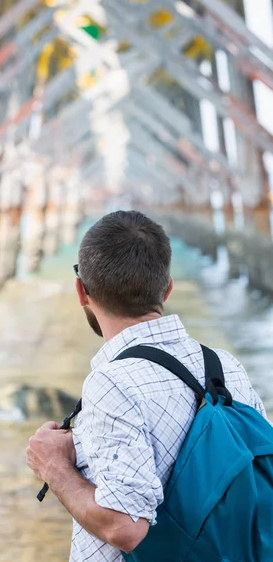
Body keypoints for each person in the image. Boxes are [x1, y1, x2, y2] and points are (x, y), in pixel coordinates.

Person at [26, 210, 267, 562]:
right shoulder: (225, 366)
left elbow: (125, 526)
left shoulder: (112, 383)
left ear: (81, 291)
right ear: (167, 287)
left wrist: (53, 466)